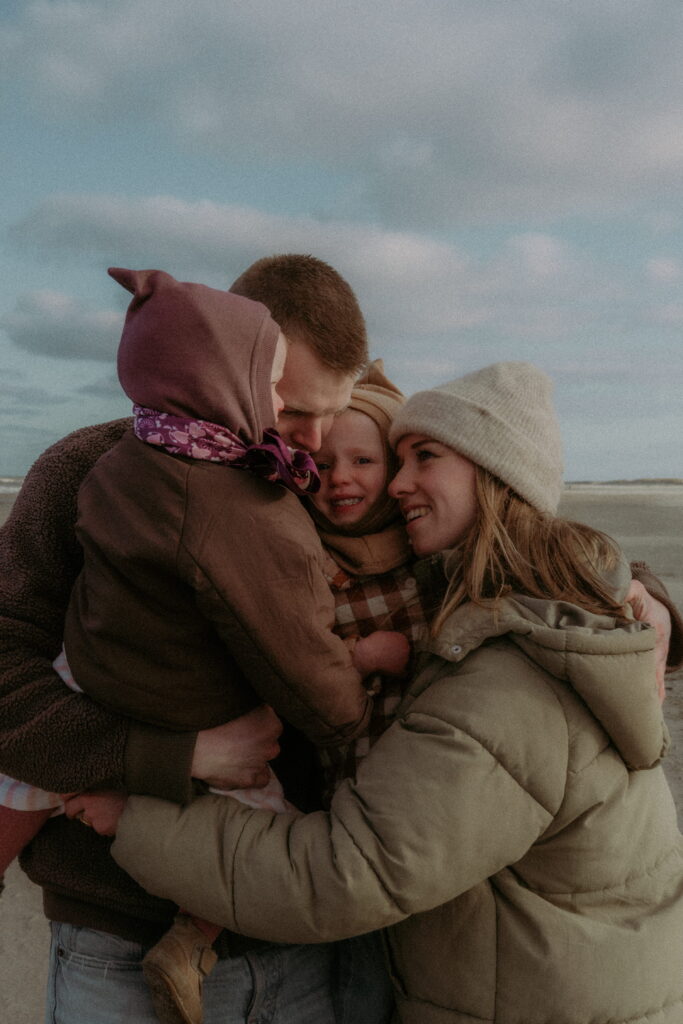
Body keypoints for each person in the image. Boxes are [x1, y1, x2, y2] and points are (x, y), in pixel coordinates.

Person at [94, 362, 683, 1024]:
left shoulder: (510, 681)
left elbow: (347, 874)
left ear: (497, 476)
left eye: (424, 456)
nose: (396, 484)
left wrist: (133, 818)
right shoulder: (538, 612)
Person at [0, 255, 374, 1024]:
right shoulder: (83, 470)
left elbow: (470, 548)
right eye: (294, 409)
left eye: (334, 412)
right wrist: (174, 755)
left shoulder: (325, 479)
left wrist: (627, 594)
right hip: (117, 936)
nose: (313, 440)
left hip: (298, 926)